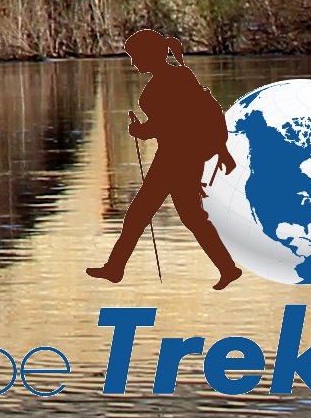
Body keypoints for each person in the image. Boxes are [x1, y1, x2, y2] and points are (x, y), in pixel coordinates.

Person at [88, 28, 241, 289]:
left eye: (136, 56)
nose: (134, 62)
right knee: (183, 216)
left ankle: (115, 268)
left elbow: (174, 123)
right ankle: (227, 269)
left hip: (178, 158)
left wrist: (141, 131)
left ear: (149, 55)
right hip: (176, 156)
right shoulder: (175, 77)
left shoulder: (173, 79)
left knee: (149, 214)